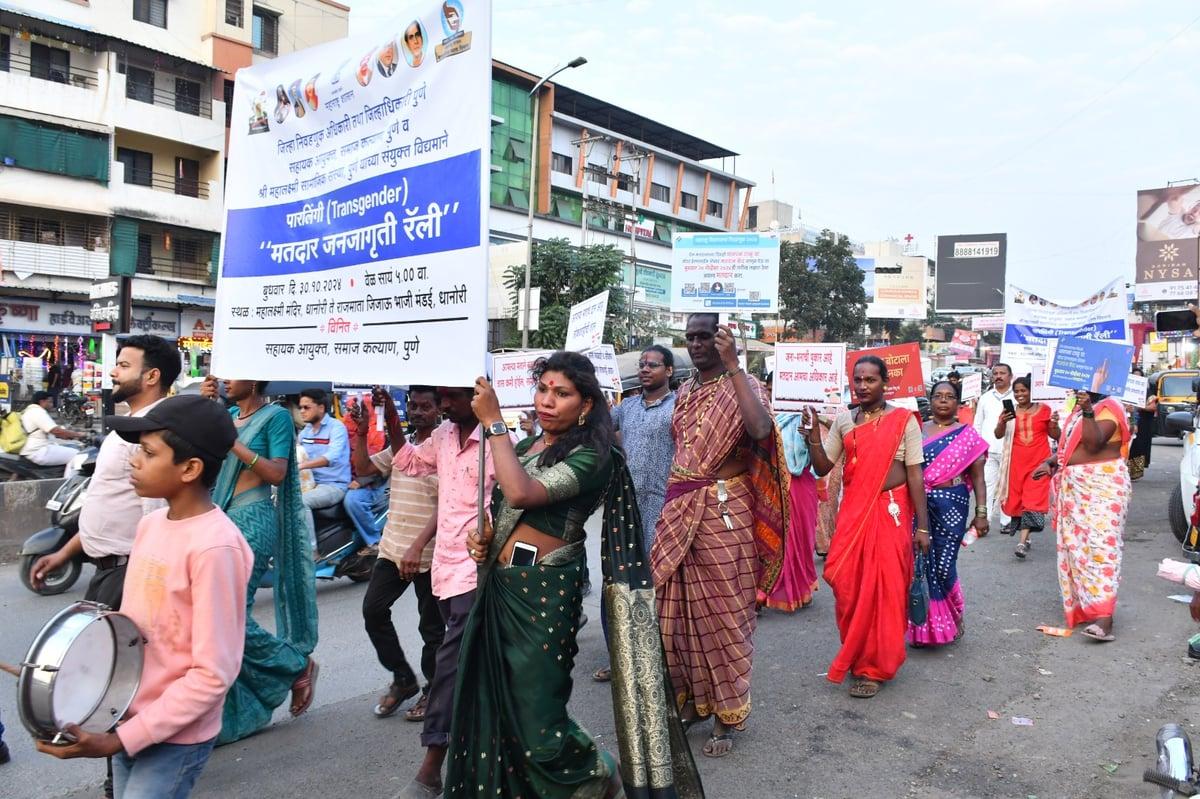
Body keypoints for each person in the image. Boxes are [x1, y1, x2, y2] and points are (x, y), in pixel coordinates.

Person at [449, 352, 703, 798]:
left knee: (538, 714)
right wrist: (484, 540)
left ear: (585, 405)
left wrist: (493, 423)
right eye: (543, 389)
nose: (547, 400)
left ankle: (597, 773)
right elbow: (501, 508)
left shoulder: (594, 457)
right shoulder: (526, 448)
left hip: (544, 592)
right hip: (501, 586)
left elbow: (521, 492)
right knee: (496, 706)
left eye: (561, 393)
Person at [36, 395, 252, 799]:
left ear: (189, 468)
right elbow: (132, 633)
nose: (134, 461)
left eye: (149, 453)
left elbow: (213, 674)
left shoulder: (215, 548)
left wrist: (123, 740)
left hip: (176, 736)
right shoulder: (151, 525)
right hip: (127, 714)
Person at [653, 314, 788, 758]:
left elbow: (761, 431)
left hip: (724, 509)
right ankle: (692, 701)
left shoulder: (745, 384)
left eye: (704, 337)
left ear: (723, 339)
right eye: (690, 338)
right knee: (675, 616)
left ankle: (725, 717)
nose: (695, 344)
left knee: (724, 614)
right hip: (679, 508)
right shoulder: (686, 391)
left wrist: (734, 367)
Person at [390, 386, 511, 798]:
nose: (443, 406)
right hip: (445, 564)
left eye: (449, 398)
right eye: (438, 399)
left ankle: (431, 767)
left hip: (478, 566)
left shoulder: (497, 439)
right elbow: (408, 461)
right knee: (475, 664)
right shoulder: (441, 435)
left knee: (450, 663)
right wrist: (389, 414)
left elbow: (515, 498)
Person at [198, 378, 319, 744]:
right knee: (219, 619)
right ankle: (232, 711)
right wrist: (209, 413)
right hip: (221, 516)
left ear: (253, 380)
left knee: (228, 615)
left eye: (233, 374)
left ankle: (296, 665)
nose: (225, 381)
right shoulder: (228, 413)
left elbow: (278, 474)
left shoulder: (276, 418)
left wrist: (233, 442)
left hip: (253, 519)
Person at [807, 355, 931, 699]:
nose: (862, 386)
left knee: (886, 589)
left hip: (890, 513)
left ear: (884, 383)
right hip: (854, 513)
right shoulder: (845, 419)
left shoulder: (905, 421)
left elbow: (916, 475)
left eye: (870, 380)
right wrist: (812, 436)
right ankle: (858, 654)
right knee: (846, 584)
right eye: (857, 380)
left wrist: (923, 527)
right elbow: (822, 466)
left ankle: (874, 668)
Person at [29, 335, 178, 609]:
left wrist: (146, 586)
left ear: (152, 376)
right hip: (109, 572)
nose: (113, 372)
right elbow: (109, 501)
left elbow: (158, 517)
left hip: (129, 574)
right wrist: (64, 553)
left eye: (123, 365)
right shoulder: (131, 425)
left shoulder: (152, 433)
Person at [354, 386, 445, 722]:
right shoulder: (400, 446)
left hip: (430, 554)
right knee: (373, 612)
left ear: (439, 410)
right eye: (414, 405)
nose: (419, 411)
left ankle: (433, 690)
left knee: (432, 630)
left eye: (426, 406)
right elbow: (363, 469)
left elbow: (449, 502)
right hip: (393, 550)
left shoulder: (445, 447)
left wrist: (419, 546)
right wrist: (363, 433)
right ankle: (403, 679)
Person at [591, 345, 676, 683]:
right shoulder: (626, 407)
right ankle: (620, 656)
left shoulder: (677, 408)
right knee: (618, 582)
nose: (644, 369)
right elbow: (596, 425)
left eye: (652, 364)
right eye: (641, 364)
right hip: (625, 508)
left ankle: (657, 658)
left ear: (668, 371)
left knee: (655, 585)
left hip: (663, 508)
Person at [1038, 390, 1132, 642]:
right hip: (1075, 490)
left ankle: (1104, 618)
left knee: (1101, 549)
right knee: (1076, 550)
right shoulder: (1080, 410)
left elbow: (1093, 443)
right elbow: (1071, 447)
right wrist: (1051, 462)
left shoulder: (1111, 407)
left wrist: (1088, 409)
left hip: (1102, 487)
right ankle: (1088, 608)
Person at [907, 381, 990, 647]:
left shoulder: (968, 436)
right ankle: (922, 628)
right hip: (918, 505)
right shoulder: (916, 432)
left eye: (950, 397)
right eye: (938, 396)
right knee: (919, 565)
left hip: (952, 505)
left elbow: (978, 478)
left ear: (958, 402)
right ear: (930, 401)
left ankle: (954, 616)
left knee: (943, 567)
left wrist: (981, 513)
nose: (943, 401)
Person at [995, 376, 1060, 559]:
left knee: (1032, 500)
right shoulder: (1010, 411)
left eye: (1023, 390)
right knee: (1019, 502)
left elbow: (1056, 435)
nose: (1019, 394)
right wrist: (1002, 422)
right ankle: (1027, 535)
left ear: (1032, 392)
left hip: (1039, 464)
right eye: (1016, 391)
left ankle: (1022, 542)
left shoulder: (1044, 410)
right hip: (1015, 464)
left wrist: (1054, 423)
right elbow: (998, 435)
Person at [759, 411, 819, 611]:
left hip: (801, 485)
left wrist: (812, 437)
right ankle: (769, 588)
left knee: (801, 539)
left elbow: (822, 462)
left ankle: (801, 588)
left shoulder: (813, 418)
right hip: (774, 483)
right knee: (776, 538)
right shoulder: (769, 418)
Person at [297, 388, 351, 537]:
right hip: (310, 484)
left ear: (321, 408)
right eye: (300, 407)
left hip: (334, 485)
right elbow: (296, 453)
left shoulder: (336, 427)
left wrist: (301, 466)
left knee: (301, 502)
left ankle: (311, 552)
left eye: (306, 407)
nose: (302, 411)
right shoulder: (305, 432)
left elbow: (332, 456)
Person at [973, 363, 1014, 526]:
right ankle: (986, 519)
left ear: (1010, 376)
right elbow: (977, 424)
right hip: (988, 449)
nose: (998, 376)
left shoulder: (1017, 396)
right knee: (987, 484)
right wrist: (976, 447)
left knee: (1007, 486)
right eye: (995, 373)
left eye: (1002, 373)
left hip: (1009, 448)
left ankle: (1007, 520)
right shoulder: (985, 397)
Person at [19, 389, 86, 472]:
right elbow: (56, 430)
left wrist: (70, 435)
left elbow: (56, 432)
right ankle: (69, 483)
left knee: (69, 448)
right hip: (38, 450)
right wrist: (79, 435)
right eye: (50, 402)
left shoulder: (28, 411)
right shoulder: (38, 412)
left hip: (31, 449)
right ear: (42, 402)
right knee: (78, 455)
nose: (52, 404)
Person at [1127, 367, 1157, 481]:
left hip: (1142, 424)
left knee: (1138, 447)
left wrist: (1139, 407)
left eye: (1139, 376)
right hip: (1127, 422)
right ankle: (1124, 470)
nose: (1136, 378)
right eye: (1134, 376)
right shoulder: (1125, 391)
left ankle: (1135, 473)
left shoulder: (1147, 392)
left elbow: (1153, 407)